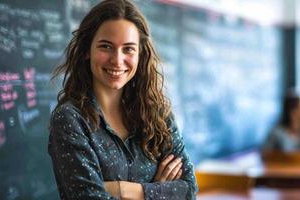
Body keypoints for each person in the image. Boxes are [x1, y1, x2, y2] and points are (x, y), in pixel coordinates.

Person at [48, 0, 198, 199]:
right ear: (87, 50)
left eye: (128, 49)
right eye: (106, 46)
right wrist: (158, 190)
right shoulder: (70, 119)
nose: (117, 60)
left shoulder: (158, 113)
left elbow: (189, 189)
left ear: (140, 54)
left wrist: (122, 189)